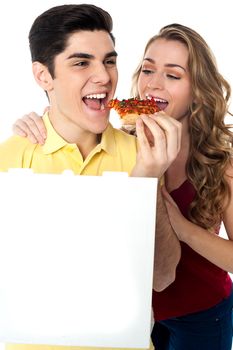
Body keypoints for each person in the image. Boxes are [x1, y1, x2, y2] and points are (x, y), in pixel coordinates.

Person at [17, 22, 233, 349]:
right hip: (138, 317)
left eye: (173, 76)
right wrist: (36, 121)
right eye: (148, 70)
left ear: (197, 92)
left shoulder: (221, 161)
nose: (153, 85)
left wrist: (182, 228)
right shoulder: (123, 143)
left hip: (203, 314)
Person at [0, 4, 183, 350]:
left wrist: (145, 183)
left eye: (109, 61)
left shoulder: (142, 155)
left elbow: (162, 277)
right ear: (43, 76)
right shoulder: (8, 161)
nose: (104, 76)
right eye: (82, 62)